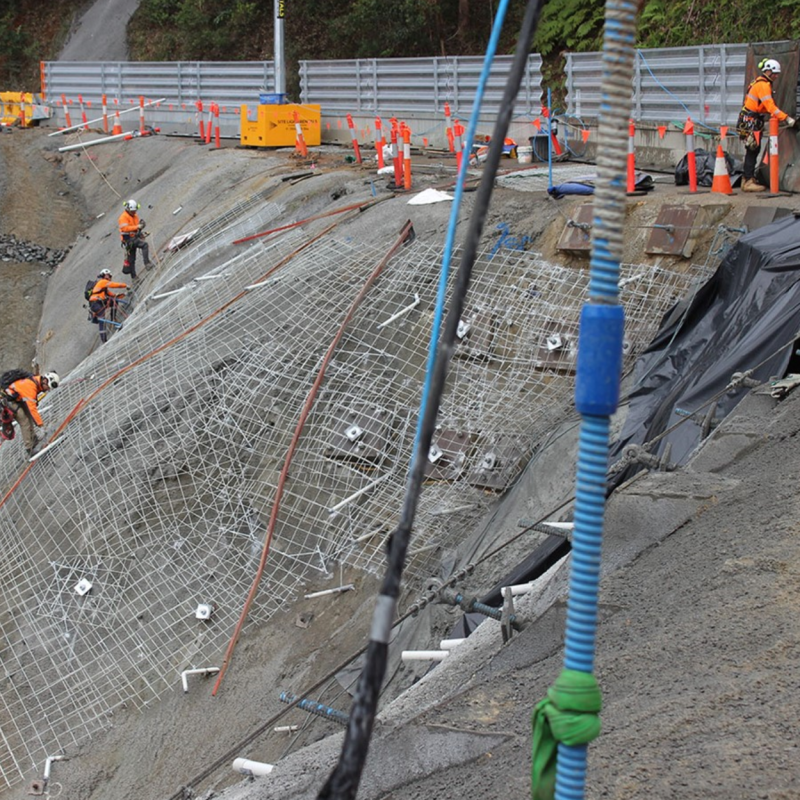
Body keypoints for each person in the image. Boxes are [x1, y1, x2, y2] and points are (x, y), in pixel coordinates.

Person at [737, 57, 798, 192]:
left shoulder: (759, 83)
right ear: (768, 71)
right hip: (751, 120)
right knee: (752, 149)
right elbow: (771, 107)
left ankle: (748, 178)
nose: (776, 76)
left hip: (750, 118)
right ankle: (747, 181)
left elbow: (762, 106)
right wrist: (787, 118)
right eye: (775, 73)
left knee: (753, 149)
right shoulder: (763, 86)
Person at [3, 372, 60, 456]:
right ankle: (29, 448)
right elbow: (32, 409)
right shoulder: (31, 386)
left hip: (16, 399)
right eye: (48, 387)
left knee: (28, 416)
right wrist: (41, 426)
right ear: (45, 381)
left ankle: (33, 439)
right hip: (9, 401)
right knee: (24, 421)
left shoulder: (35, 382)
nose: (47, 389)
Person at [89, 269, 128, 342]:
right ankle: (104, 340)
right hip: (96, 303)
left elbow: (112, 296)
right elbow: (114, 285)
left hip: (97, 303)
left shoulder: (103, 288)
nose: (110, 277)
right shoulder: (102, 282)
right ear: (106, 275)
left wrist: (122, 295)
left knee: (114, 301)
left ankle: (113, 319)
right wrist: (125, 285)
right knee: (102, 319)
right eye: (109, 276)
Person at [118, 198, 153, 278]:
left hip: (133, 238)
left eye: (135, 211)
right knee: (134, 256)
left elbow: (136, 228)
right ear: (128, 209)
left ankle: (135, 276)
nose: (134, 212)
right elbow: (125, 229)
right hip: (128, 240)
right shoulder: (123, 218)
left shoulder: (135, 216)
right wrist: (137, 226)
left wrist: (140, 230)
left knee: (132, 259)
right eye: (133, 211)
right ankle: (146, 265)